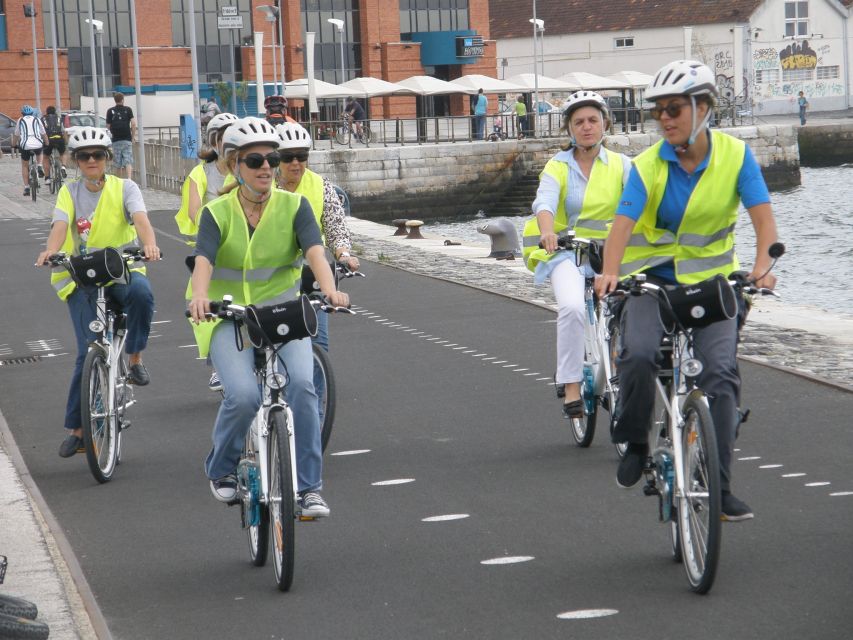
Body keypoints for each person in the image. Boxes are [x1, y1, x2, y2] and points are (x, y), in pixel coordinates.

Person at [595, 60, 779, 521]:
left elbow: (763, 221)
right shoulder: (646, 166)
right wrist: (611, 272)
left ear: (703, 108)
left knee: (718, 374)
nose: (665, 119)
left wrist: (762, 269)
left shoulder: (736, 157)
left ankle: (718, 488)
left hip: (713, 286)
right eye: (658, 111)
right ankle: (635, 440)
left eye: (674, 109)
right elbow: (621, 225)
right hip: (650, 284)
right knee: (637, 355)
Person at [187, 117, 349, 516]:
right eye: (255, 160)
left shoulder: (295, 206)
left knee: (304, 389)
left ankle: (310, 488)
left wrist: (329, 289)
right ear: (233, 165)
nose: (266, 167)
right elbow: (203, 259)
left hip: (283, 314)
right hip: (231, 317)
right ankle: (221, 468)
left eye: (271, 159)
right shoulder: (217, 212)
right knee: (242, 396)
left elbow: (315, 251)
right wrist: (201, 297)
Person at [34, 127, 160, 458]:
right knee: (87, 351)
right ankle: (78, 429)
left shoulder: (125, 187)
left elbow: (141, 218)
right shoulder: (68, 191)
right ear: (76, 161)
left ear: (108, 158)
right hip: (83, 278)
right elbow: (59, 226)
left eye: (98, 155)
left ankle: (134, 358)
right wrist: (51, 251)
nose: (92, 160)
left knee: (143, 296)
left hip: (122, 271)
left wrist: (149, 244)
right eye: (85, 156)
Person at [522, 91, 631, 420]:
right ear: (569, 128)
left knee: (630, 309)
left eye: (593, 120)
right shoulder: (558, 166)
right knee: (571, 307)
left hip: (611, 251)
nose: (587, 127)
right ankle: (570, 382)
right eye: (579, 122)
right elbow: (545, 202)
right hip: (566, 251)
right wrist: (547, 231)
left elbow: (638, 205)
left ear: (605, 124)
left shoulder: (623, 165)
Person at [175, 111, 239, 392]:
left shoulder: (246, 169)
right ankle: (219, 367)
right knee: (212, 308)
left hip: (244, 245)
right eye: (222, 137)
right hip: (213, 247)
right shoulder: (200, 173)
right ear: (214, 142)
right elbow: (194, 212)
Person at [13, 105, 47, 197]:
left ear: (22, 114)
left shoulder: (20, 120)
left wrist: (13, 144)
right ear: (32, 113)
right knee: (40, 151)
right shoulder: (37, 119)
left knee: (24, 165)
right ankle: (40, 165)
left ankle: (27, 187)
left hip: (25, 144)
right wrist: (47, 143)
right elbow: (43, 133)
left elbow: (16, 134)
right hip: (37, 143)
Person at [106, 92, 137, 179]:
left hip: (116, 139)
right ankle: (129, 179)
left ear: (115, 100)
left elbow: (108, 126)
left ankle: (118, 181)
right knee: (128, 160)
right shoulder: (128, 109)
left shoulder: (110, 111)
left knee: (117, 162)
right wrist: (133, 136)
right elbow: (133, 124)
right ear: (122, 100)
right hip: (127, 138)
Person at [41, 106, 67, 185]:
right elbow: (63, 131)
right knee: (63, 153)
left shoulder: (43, 119)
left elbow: (42, 132)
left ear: (47, 112)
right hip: (59, 138)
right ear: (55, 111)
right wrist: (65, 142)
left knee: (45, 157)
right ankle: (63, 166)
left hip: (48, 140)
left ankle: (47, 178)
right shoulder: (59, 118)